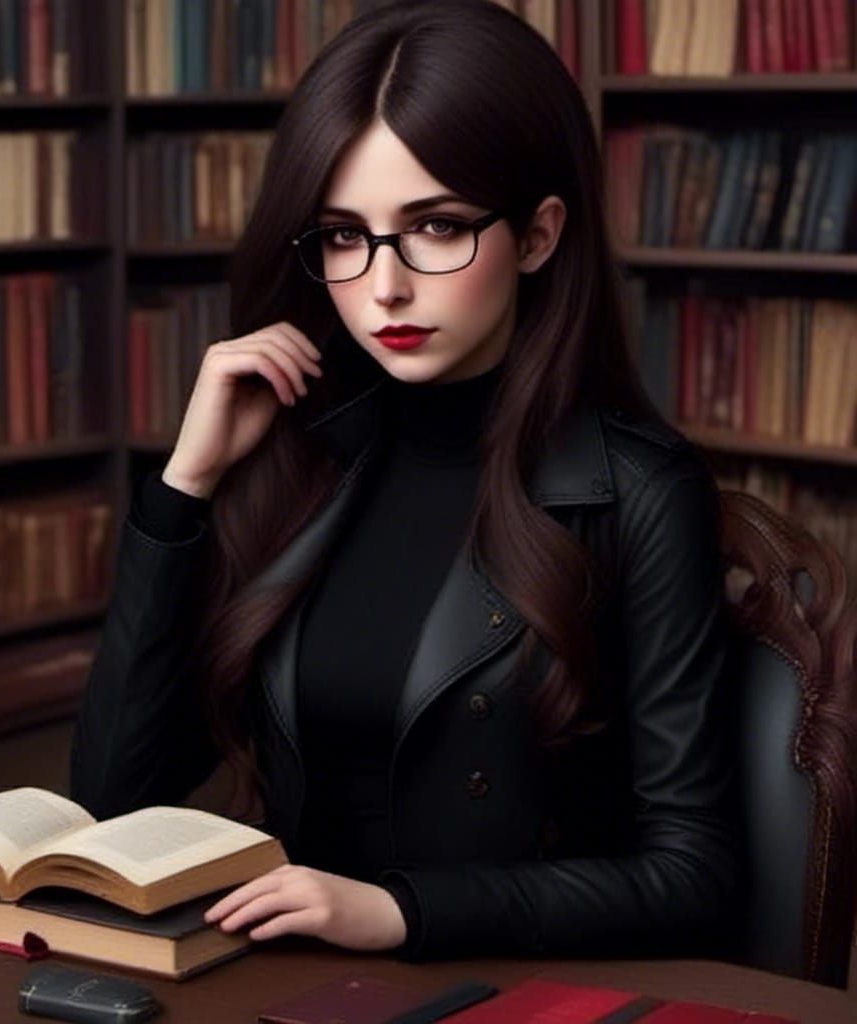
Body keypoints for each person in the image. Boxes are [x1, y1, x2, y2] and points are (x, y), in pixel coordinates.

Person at [70, 0, 743, 963]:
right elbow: (110, 806)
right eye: (345, 236)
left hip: (497, 990)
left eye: (434, 228)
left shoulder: (638, 492)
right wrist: (185, 485)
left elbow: (696, 878)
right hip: (279, 987)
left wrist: (397, 910)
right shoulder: (301, 463)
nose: (384, 286)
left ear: (540, 235)